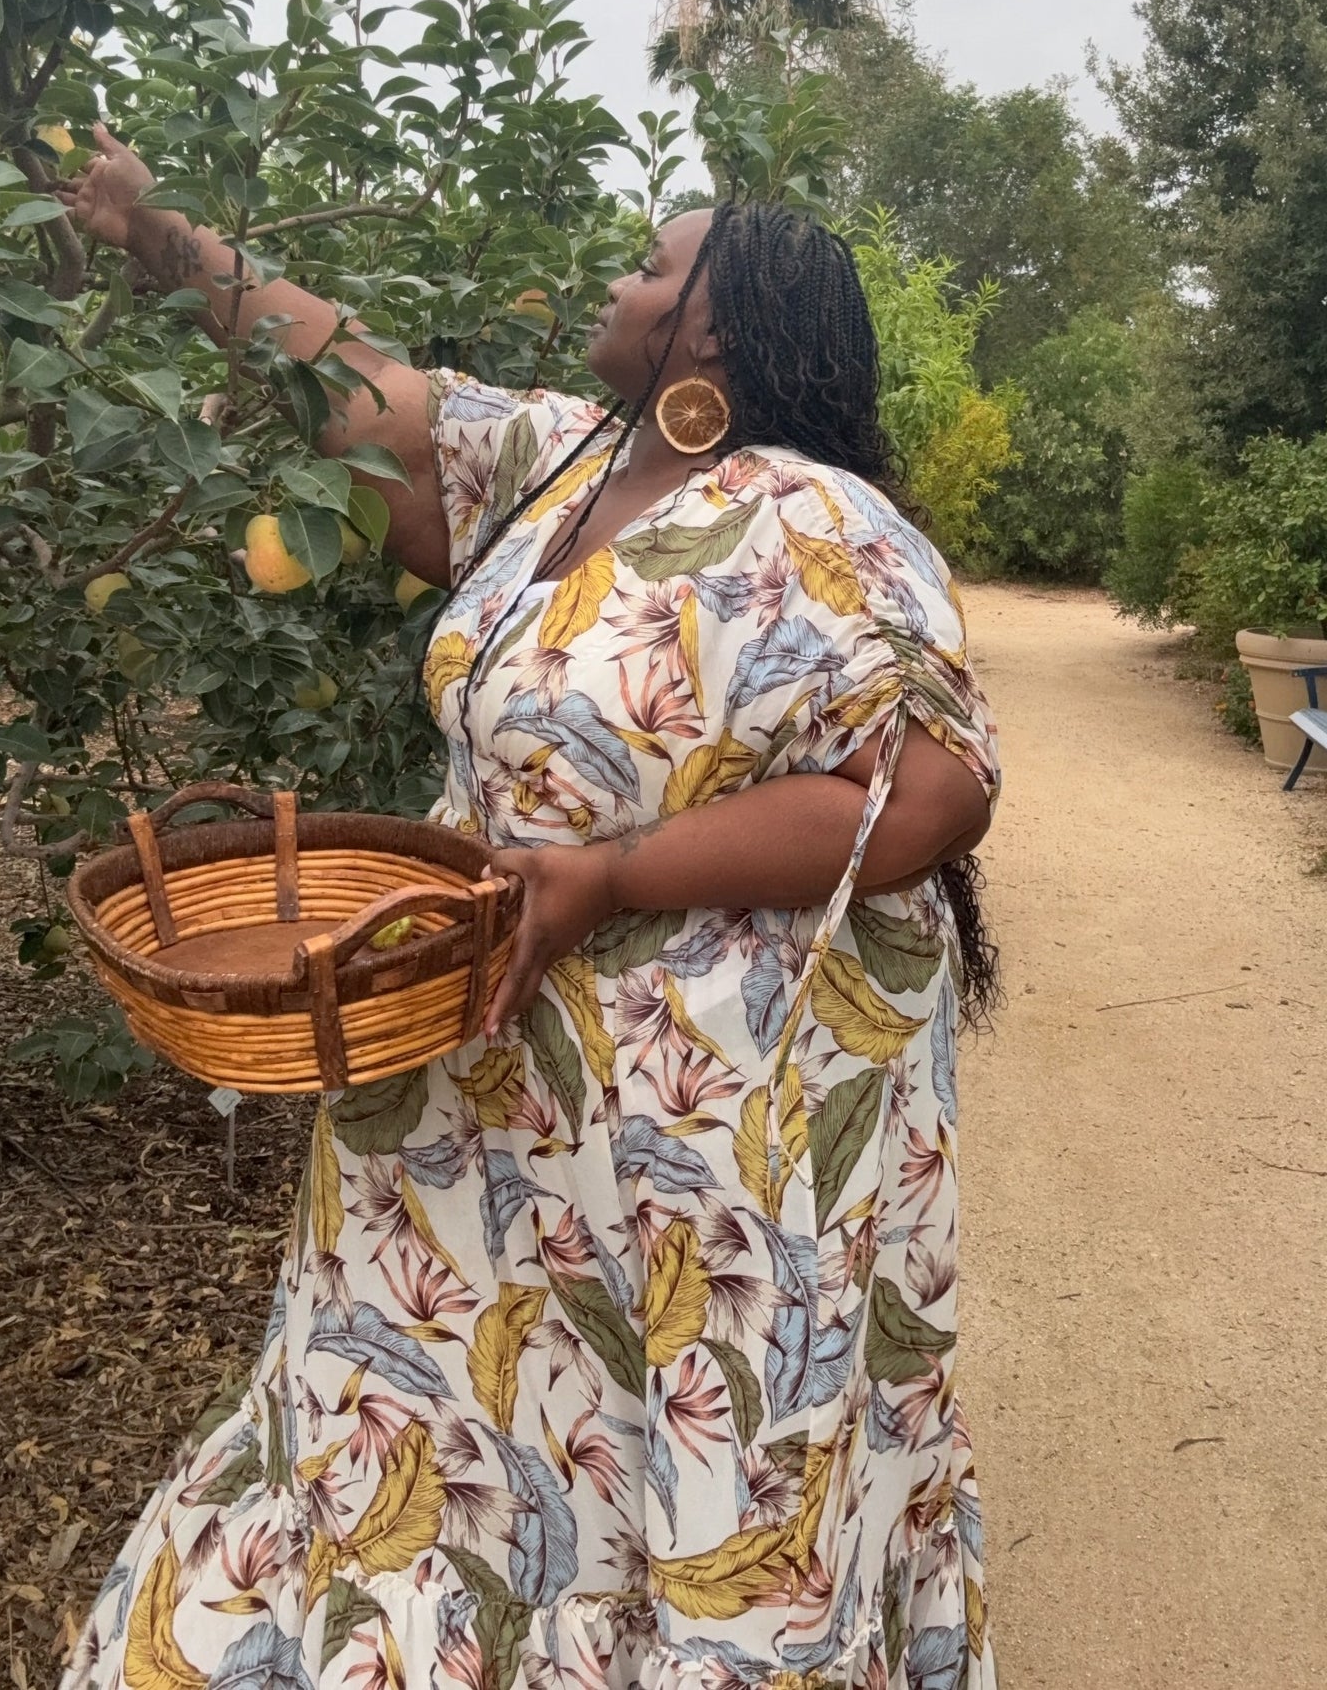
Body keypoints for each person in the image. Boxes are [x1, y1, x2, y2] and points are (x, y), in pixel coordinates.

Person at [56, 129, 1001, 1690]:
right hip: (481, 1064)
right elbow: (361, 387)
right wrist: (157, 231)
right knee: (436, 1416)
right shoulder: (561, 463)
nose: (613, 280)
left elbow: (927, 795)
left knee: (677, 1425)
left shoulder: (820, 524)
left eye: (649, 263)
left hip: (710, 1109)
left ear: (713, 327)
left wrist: (617, 875)